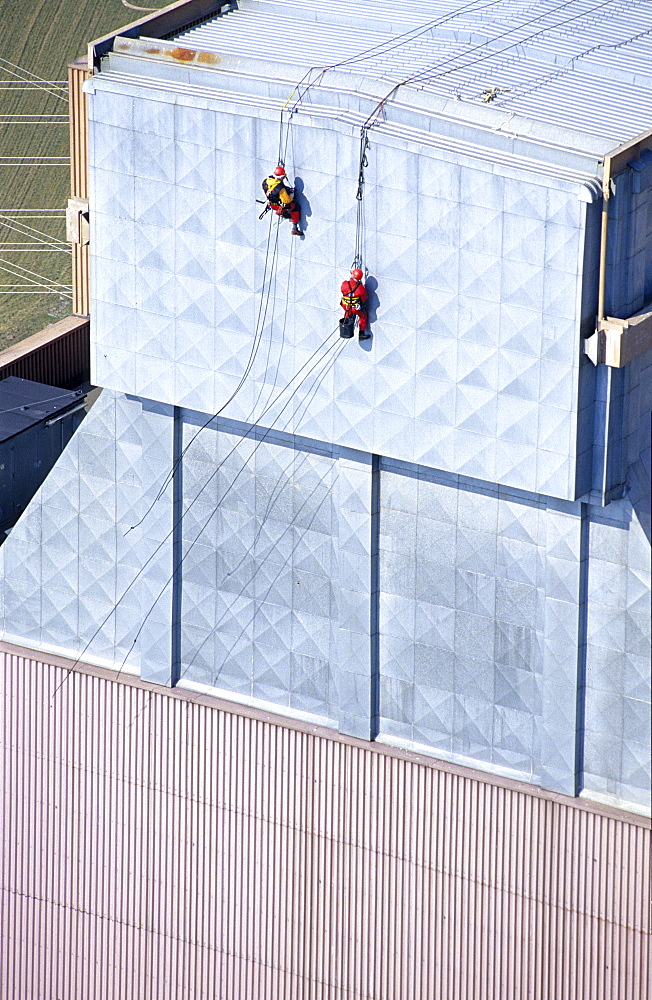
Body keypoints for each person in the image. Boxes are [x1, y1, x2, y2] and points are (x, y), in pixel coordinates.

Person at [261, 165, 303, 235]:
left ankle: (283, 212)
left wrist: (286, 189)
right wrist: (291, 195)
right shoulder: (281, 189)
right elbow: (286, 201)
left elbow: (274, 189)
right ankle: (295, 228)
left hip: (271, 203)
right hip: (278, 205)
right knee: (295, 207)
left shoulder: (266, 181)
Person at [340, 266, 370, 339]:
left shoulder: (345, 284)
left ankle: (346, 330)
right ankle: (361, 333)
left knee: (347, 315)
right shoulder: (361, 288)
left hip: (346, 306)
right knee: (363, 316)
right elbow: (364, 298)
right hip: (355, 307)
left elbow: (342, 291)